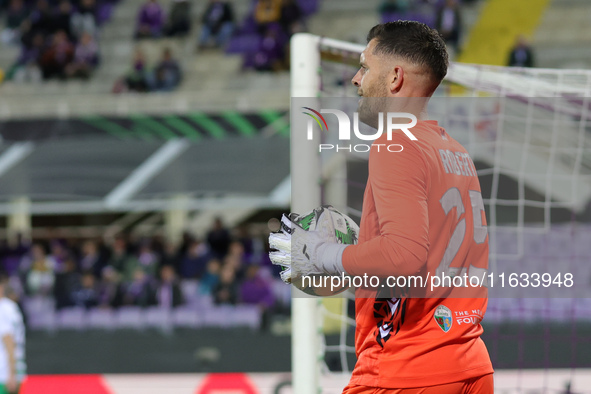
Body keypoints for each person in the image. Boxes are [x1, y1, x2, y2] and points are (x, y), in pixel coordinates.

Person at [270, 21, 493, 393]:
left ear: (394, 77)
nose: (356, 80)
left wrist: (323, 253)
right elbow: (422, 259)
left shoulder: (397, 144)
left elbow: (404, 254)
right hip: (467, 362)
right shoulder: (454, 151)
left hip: (405, 367)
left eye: (364, 67)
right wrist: (361, 255)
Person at [0, 276, 26, 394]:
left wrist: (11, 373)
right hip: (16, 365)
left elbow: (8, 340)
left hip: (4, 371)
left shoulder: (2, 309)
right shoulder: (12, 306)